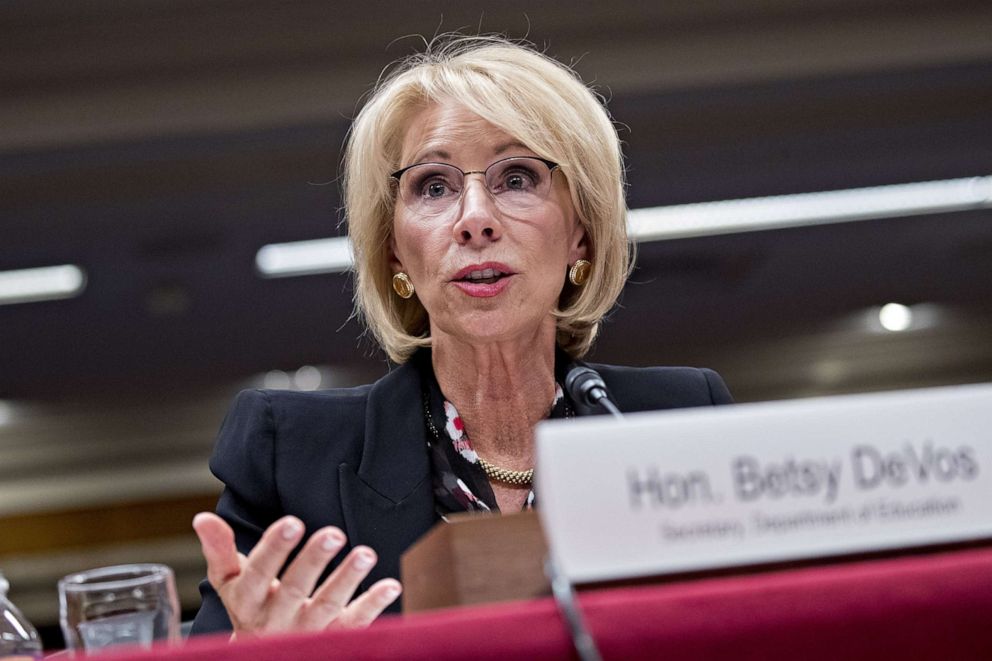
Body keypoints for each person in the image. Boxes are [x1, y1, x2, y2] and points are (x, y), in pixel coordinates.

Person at [190, 34, 732, 637]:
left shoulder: (679, 420)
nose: (474, 219)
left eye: (518, 177)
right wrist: (249, 653)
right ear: (394, 251)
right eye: (434, 186)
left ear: (581, 232)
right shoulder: (289, 456)